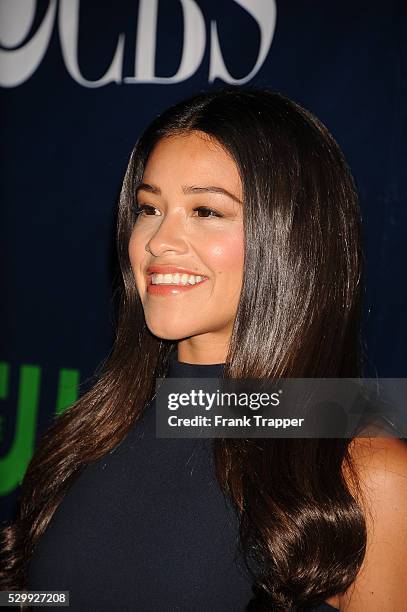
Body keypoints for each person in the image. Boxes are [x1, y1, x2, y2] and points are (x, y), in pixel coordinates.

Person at [1, 87, 407, 611]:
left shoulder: (365, 471)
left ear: (290, 236)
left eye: (206, 212)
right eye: (149, 207)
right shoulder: (92, 432)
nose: (158, 241)